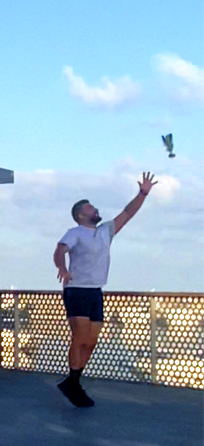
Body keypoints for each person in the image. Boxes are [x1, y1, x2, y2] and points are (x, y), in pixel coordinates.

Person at [52, 172, 157, 407]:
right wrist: (63, 268)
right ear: (81, 214)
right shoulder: (75, 232)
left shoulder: (105, 231)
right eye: (91, 208)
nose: (96, 210)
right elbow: (59, 250)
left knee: (91, 342)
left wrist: (143, 193)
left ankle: (72, 381)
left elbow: (128, 213)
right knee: (79, 335)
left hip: (95, 292)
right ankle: (74, 382)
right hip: (76, 289)